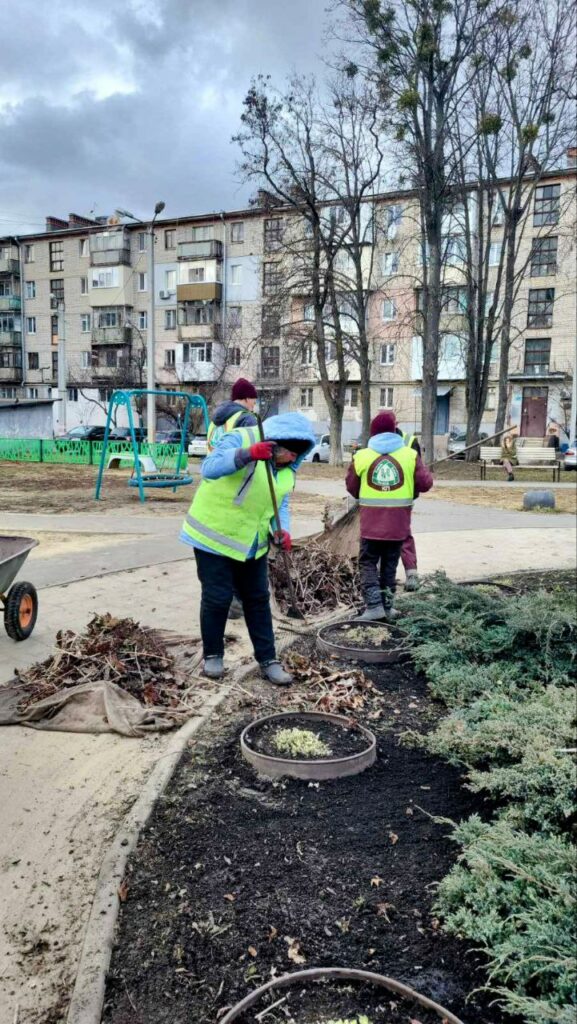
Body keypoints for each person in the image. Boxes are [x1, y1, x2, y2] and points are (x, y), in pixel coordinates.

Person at [180, 413, 315, 684]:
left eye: (295, 456)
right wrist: (247, 454)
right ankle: (213, 656)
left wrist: (281, 528)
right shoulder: (241, 438)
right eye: (288, 454)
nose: (291, 459)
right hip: (213, 537)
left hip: (252, 543)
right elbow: (209, 468)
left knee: (257, 600)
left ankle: (268, 659)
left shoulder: (289, 468)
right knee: (217, 598)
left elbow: (281, 503)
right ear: (276, 442)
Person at [346, 411, 433, 621]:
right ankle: (387, 607)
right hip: (398, 525)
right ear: (394, 431)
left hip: (371, 524)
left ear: (372, 433)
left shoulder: (362, 456)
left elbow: (351, 486)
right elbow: (425, 483)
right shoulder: (409, 456)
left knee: (368, 563)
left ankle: (374, 606)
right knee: (390, 564)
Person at [397, 427, 421, 592]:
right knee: (404, 535)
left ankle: (380, 578)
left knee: (376, 539)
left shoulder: (373, 441)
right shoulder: (410, 442)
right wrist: (412, 495)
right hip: (402, 499)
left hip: (375, 501)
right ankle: (411, 574)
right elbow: (421, 477)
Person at [207, 378, 258, 452]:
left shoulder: (215, 418)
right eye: (254, 400)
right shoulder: (247, 419)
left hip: (213, 463)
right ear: (247, 398)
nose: (254, 404)